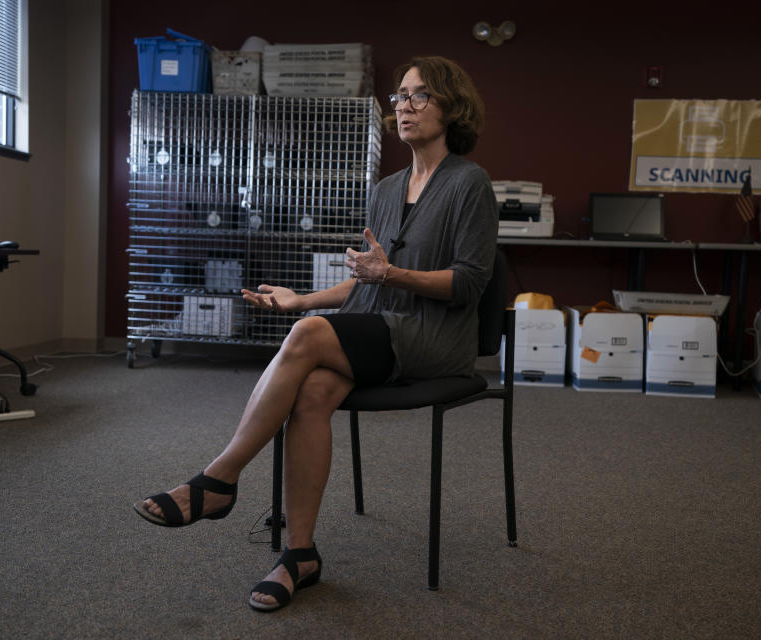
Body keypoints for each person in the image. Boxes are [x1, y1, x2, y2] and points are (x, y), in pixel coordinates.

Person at [133, 55, 498, 612]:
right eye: (400, 96)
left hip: (437, 339)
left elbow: (469, 283)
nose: (405, 106)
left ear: (452, 106)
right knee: (312, 390)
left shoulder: (470, 184)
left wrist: (388, 274)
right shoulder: (386, 188)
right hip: (386, 326)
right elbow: (366, 287)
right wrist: (300, 299)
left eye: (420, 95)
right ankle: (300, 555)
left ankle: (219, 480)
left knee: (306, 337)